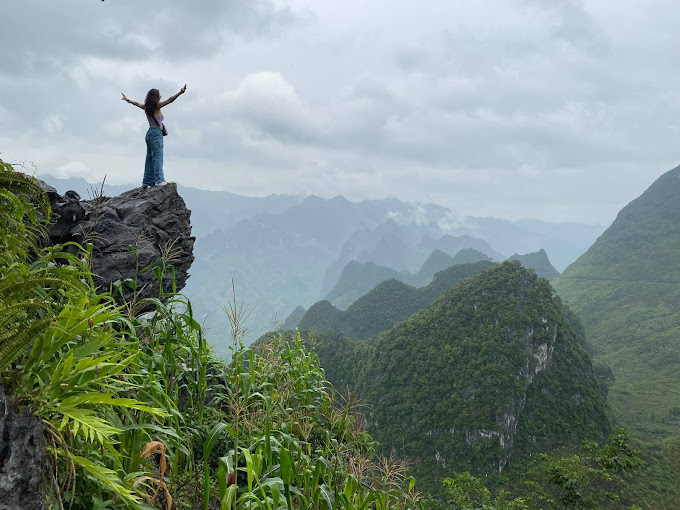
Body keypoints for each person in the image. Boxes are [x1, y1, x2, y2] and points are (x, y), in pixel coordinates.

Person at [121, 85, 187, 188]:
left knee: (149, 158)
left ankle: (146, 181)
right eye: (159, 94)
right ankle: (159, 180)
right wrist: (180, 92)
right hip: (156, 134)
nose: (161, 96)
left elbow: (137, 104)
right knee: (157, 157)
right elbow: (170, 100)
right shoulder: (157, 106)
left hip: (149, 134)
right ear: (156, 97)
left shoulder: (146, 107)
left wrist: (127, 100)